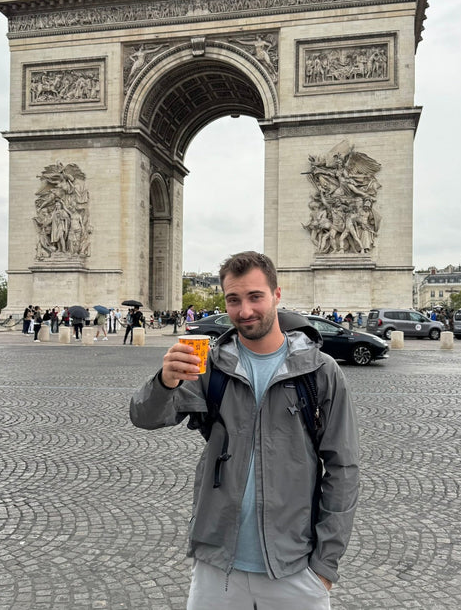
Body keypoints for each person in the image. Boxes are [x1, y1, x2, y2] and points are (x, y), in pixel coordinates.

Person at [130, 251, 359, 609]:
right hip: (217, 563)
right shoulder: (209, 367)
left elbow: (343, 469)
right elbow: (145, 417)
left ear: (277, 295)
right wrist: (165, 382)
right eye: (233, 300)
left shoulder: (321, 372)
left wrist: (325, 565)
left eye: (255, 297)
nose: (244, 311)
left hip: (295, 567)